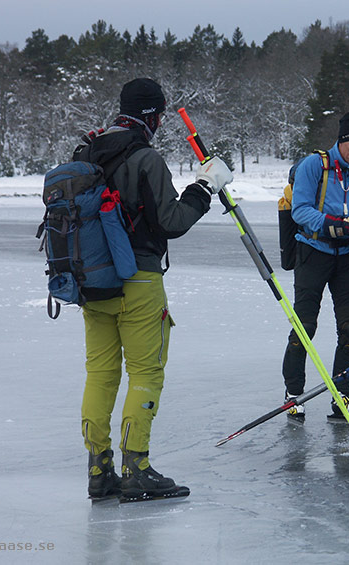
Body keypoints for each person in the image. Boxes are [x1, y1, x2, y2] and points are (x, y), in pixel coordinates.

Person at [72, 78, 234, 499]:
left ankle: (98, 468)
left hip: (93, 283)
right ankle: (136, 466)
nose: (161, 122)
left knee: (100, 376)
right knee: (145, 373)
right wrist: (203, 188)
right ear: (151, 115)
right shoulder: (145, 158)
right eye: (160, 115)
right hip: (139, 281)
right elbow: (171, 222)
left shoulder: (87, 152)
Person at [282, 111, 349, 422]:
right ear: (342, 142)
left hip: (348, 257)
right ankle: (293, 393)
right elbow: (301, 212)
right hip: (313, 253)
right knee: (305, 327)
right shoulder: (313, 166)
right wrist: (341, 226)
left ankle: (342, 396)